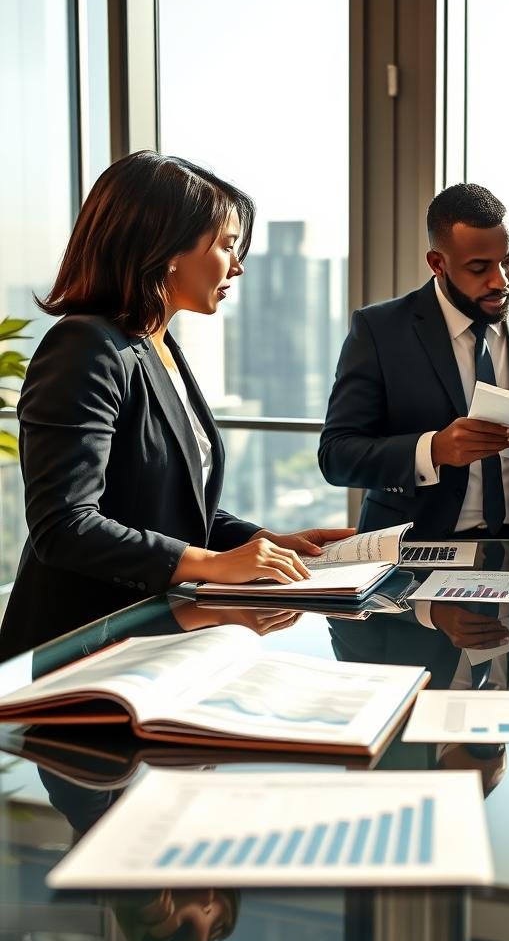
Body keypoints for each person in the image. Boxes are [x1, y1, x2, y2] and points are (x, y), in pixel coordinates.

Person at [0, 151, 352, 661]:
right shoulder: (85, 346)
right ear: (165, 247)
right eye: (227, 245)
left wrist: (265, 542)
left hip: (152, 632)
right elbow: (66, 526)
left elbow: (166, 503)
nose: (238, 264)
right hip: (81, 644)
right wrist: (211, 564)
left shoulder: (157, 345)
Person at [318, 182, 509, 539]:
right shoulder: (379, 330)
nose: (501, 280)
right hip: (413, 549)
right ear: (437, 264)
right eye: (479, 268)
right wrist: (433, 449)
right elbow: (337, 456)